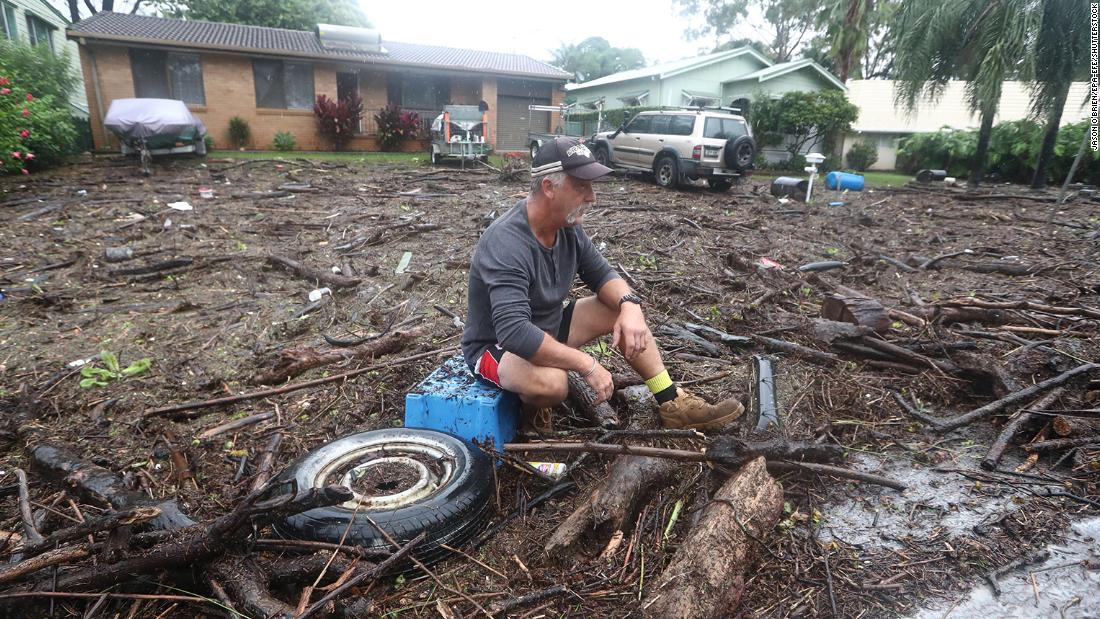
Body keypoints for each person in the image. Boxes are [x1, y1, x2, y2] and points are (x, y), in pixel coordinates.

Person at [460, 137, 743, 431]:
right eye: (582, 185)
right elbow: (514, 331)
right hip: (497, 347)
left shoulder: (567, 228)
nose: (592, 196)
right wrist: (587, 364)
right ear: (548, 187)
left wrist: (630, 306)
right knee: (554, 384)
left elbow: (603, 275)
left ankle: (671, 401)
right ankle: (531, 412)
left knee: (616, 309)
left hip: (547, 328)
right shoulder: (507, 242)